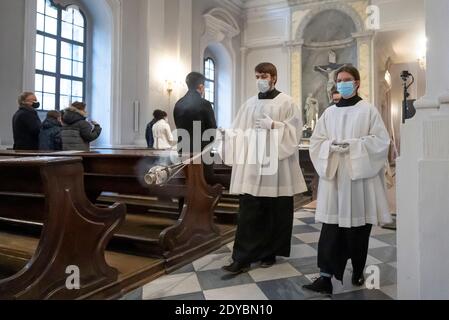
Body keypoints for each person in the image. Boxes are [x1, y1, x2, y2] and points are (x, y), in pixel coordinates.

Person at [303, 65, 392, 295]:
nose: (342, 83)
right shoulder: (329, 113)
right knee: (330, 230)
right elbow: (317, 141)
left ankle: (358, 269)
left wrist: (353, 146)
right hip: (335, 178)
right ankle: (324, 277)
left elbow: (381, 141)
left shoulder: (368, 110)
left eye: (347, 79)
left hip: (358, 179)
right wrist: (330, 147)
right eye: (339, 80)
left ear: (357, 83)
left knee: (358, 230)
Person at [221, 62, 308, 274]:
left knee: (275, 210)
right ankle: (241, 257)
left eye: (264, 75)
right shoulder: (249, 103)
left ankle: (269, 252)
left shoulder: (286, 102)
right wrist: (229, 135)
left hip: (276, 166)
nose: (260, 79)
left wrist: (275, 126)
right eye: (257, 75)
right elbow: (239, 130)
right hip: (252, 164)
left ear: (274, 77)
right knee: (249, 211)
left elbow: (294, 132)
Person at [173, 72, 218, 184]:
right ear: (201, 86)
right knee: (204, 183)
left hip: (183, 150)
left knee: (187, 182)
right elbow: (212, 129)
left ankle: (184, 201)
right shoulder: (204, 104)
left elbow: (178, 126)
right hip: (202, 152)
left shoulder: (178, 103)